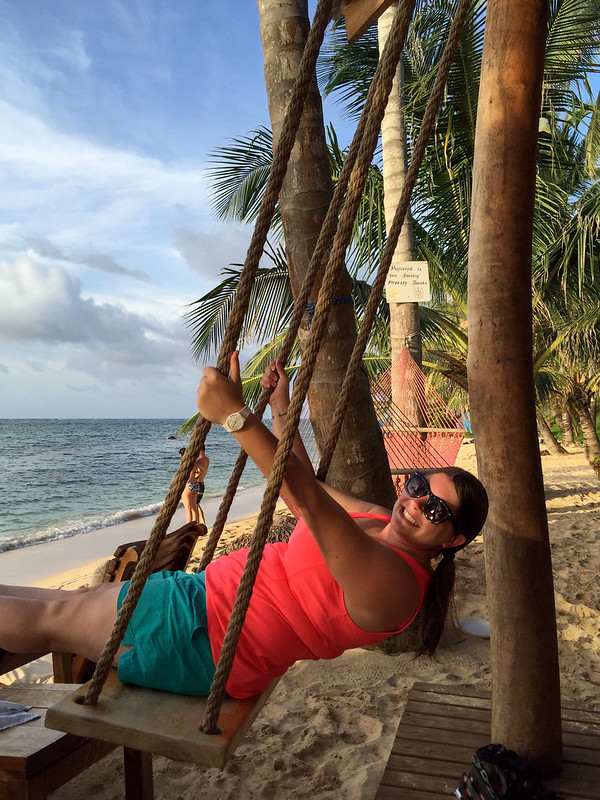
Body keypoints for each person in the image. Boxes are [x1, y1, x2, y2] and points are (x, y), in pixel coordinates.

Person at [0, 353, 488, 700]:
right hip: (201, 599)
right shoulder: (380, 521)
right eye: (420, 484)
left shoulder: (397, 588)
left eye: (436, 510)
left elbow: (312, 504)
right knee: (63, 601)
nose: (417, 502)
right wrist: (280, 408)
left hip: (205, 644)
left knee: (53, 621)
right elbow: (303, 500)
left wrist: (234, 417)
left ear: (454, 540)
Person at [179, 446, 209, 526]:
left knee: (188, 509)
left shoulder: (184, 463)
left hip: (188, 485)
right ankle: (195, 525)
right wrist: (198, 477)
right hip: (196, 484)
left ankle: (188, 527)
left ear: (181, 455)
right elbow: (204, 470)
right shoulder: (195, 462)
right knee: (194, 508)